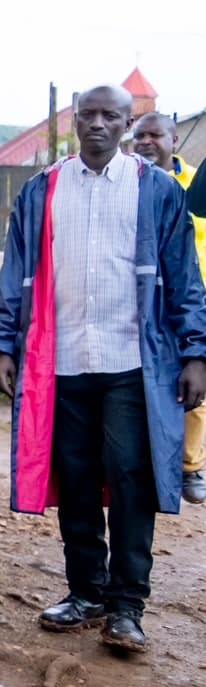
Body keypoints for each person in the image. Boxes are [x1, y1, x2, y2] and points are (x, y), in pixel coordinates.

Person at [0, 87, 206, 657]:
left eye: (112, 116)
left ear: (129, 124)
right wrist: (2, 345)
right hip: (61, 363)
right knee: (76, 476)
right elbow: (16, 273)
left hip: (134, 361)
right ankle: (86, 592)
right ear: (74, 120)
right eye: (90, 115)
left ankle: (127, 606)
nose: (99, 124)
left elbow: (184, 278)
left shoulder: (155, 191)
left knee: (130, 477)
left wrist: (196, 353)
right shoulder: (42, 191)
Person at [133, 113, 206, 503]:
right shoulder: (129, 182)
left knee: (193, 383)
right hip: (150, 295)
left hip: (195, 291)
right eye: (140, 134)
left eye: (155, 134)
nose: (146, 141)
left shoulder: (194, 183)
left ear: (174, 140)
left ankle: (191, 466)